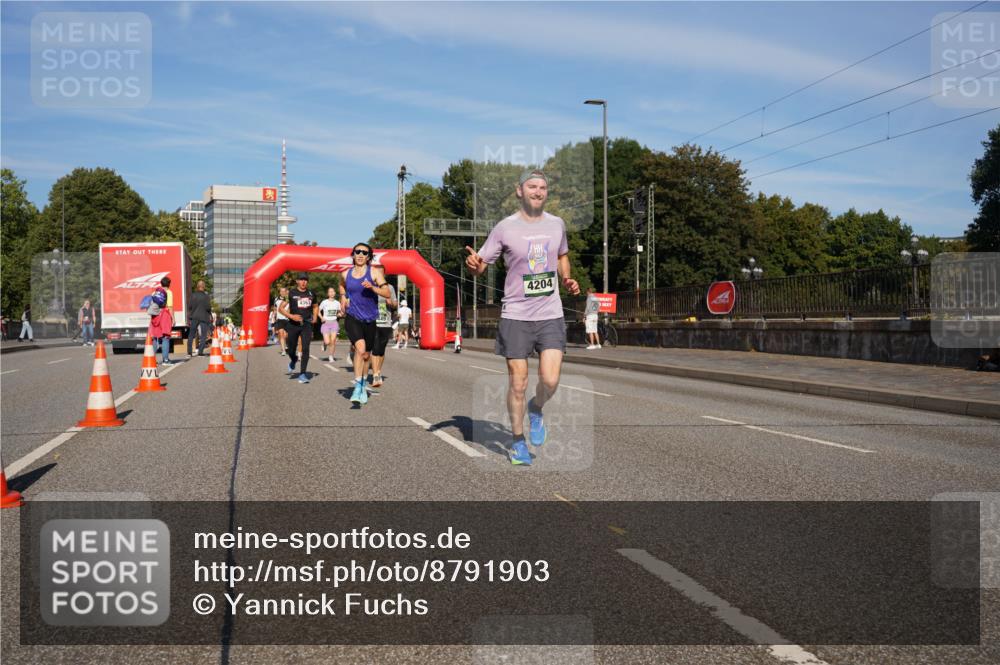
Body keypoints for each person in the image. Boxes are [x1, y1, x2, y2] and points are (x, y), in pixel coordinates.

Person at [465, 169, 579, 466]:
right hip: (516, 314)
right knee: (518, 381)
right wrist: (474, 265)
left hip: (550, 313)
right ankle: (517, 442)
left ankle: (536, 407)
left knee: (550, 380)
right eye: (532, 186)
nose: (538, 191)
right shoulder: (504, 228)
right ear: (520, 191)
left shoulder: (557, 225)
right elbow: (481, 265)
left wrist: (566, 278)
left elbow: (562, 255)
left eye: (542, 187)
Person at [340, 242, 392, 405]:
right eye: (357, 252)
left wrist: (373, 288)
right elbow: (342, 286)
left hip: (370, 319)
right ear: (353, 254)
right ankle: (357, 386)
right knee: (360, 349)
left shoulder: (374, 272)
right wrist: (343, 296)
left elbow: (387, 292)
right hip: (353, 317)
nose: (360, 255)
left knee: (366, 355)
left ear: (369, 256)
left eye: (364, 252)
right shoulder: (345, 273)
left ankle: (362, 384)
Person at [279, 273, 318, 384]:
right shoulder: (291, 293)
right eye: (301, 280)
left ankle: (302, 374)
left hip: (307, 324)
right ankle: (293, 359)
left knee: (305, 348)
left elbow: (315, 306)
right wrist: (292, 316)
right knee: (291, 349)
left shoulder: (311, 293)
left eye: (305, 280)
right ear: (297, 281)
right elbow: (281, 308)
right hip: (292, 325)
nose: (303, 282)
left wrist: (315, 317)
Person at [370, 281, 397, 388]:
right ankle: (375, 375)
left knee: (381, 350)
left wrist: (391, 303)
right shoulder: (370, 286)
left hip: (386, 322)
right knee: (375, 349)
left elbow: (395, 303)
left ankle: (378, 370)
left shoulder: (389, 287)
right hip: (373, 321)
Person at [148, 276, 174, 364]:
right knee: (165, 337)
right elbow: (170, 307)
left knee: (154, 337)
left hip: (155, 316)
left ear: (161, 283)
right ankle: (165, 360)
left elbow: (151, 305)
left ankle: (151, 360)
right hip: (164, 315)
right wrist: (173, 318)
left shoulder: (154, 292)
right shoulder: (169, 292)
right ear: (169, 284)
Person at [187, 280, 212, 357]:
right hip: (204, 317)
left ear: (197, 287)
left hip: (194, 317)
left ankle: (189, 352)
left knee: (191, 334)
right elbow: (208, 308)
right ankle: (200, 352)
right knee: (203, 335)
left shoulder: (193, 295)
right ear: (204, 287)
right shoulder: (206, 296)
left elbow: (190, 307)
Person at [318, 286, 342, 362]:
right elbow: (318, 311)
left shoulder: (337, 303)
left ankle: (331, 356)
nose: (331, 293)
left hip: (334, 323)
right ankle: (324, 344)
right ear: (328, 293)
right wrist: (321, 318)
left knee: (333, 340)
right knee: (328, 342)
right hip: (326, 323)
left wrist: (340, 314)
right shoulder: (324, 302)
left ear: (335, 293)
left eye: (333, 291)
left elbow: (340, 312)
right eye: (330, 292)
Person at [273, 287, 289, 355]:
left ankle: (287, 345)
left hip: (288, 319)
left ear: (286, 292)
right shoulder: (276, 299)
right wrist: (275, 316)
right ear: (279, 292)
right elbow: (275, 308)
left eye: (284, 291)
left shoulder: (288, 299)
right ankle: (283, 350)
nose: (282, 293)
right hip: (280, 319)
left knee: (286, 335)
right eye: (281, 291)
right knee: (281, 334)